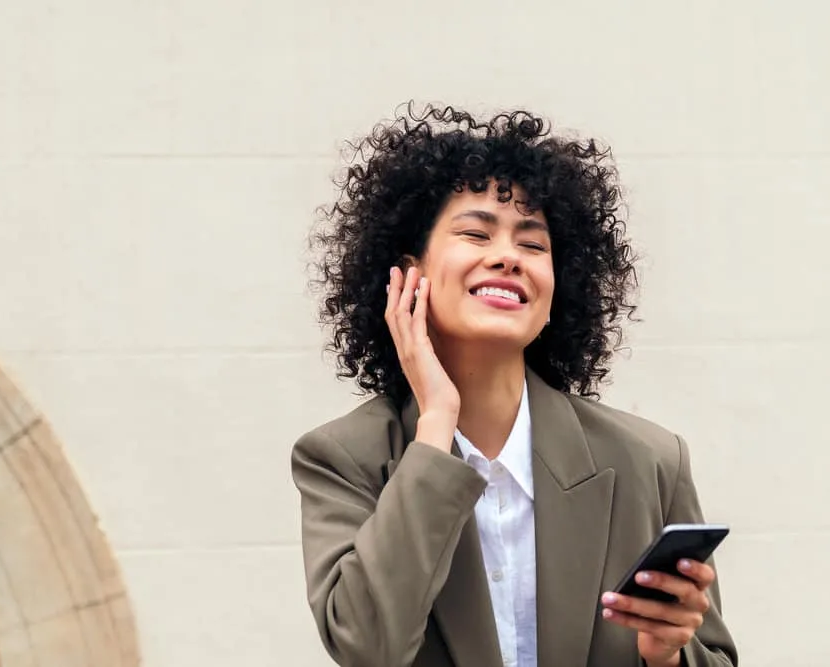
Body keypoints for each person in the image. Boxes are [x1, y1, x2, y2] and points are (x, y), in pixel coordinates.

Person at [291, 103, 737, 667]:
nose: (507, 257)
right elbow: (369, 646)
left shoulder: (648, 460)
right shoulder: (344, 458)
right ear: (410, 276)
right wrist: (436, 424)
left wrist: (668, 655)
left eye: (533, 244)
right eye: (476, 233)